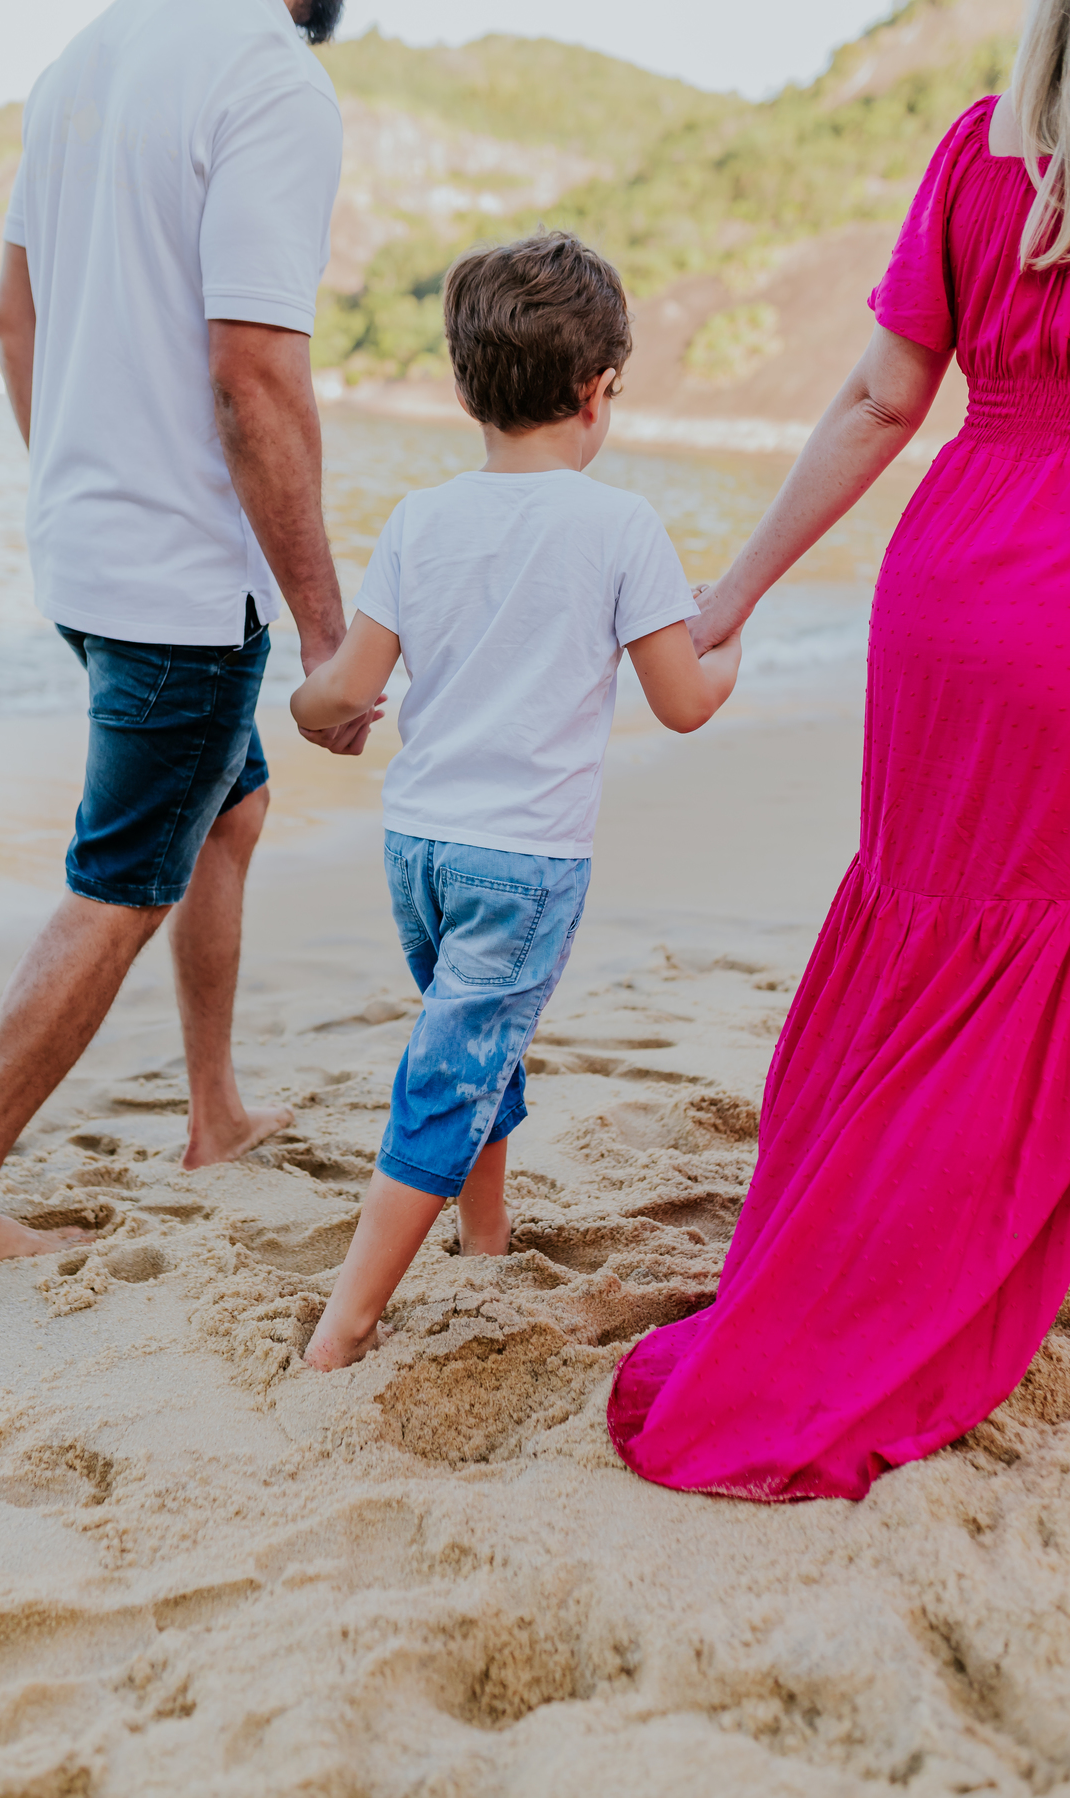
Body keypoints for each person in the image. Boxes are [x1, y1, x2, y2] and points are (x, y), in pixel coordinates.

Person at [608, 0, 1070, 1503]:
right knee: (1027, 958)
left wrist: (728, 597)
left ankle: (832, 1237)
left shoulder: (983, 152)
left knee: (923, 930)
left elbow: (883, 398)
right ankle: (918, 1270)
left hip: (946, 591)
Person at [0, 0, 376, 1275]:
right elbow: (253, 374)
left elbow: (12, 320)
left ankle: (215, 1116)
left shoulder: (89, 57)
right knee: (122, 879)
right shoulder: (273, 79)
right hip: (180, 588)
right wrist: (328, 635)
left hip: (84, 554)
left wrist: (78, 485)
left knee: (227, 808)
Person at [290, 231, 743, 1371]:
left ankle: (484, 1238)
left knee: (474, 1035)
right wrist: (730, 640)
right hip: (525, 861)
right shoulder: (621, 527)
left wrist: (309, 708)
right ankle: (345, 1326)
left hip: (418, 850)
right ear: (598, 392)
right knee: (453, 1070)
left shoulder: (419, 519)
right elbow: (684, 703)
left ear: (462, 390)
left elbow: (346, 688)